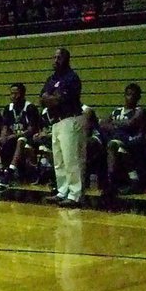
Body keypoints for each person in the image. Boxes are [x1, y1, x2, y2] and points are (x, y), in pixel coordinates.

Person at [40, 48, 86, 208]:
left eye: (59, 57)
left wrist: (50, 98)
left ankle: (75, 194)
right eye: (54, 57)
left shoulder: (71, 78)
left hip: (70, 119)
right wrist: (51, 98)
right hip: (56, 122)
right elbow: (42, 99)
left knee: (71, 159)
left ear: (67, 59)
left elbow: (59, 100)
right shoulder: (51, 79)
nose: (55, 60)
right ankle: (62, 190)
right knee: (59, 160)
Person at [100, 83, 146, 196]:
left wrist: (114, 124)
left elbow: (130, 123)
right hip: (118, 141)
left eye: (134, 95)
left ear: (138, 97)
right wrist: (118, 126)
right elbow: (103, 124)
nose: (130, 97)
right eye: (128, 94)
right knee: (113, 143)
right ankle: (113, 181)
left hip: (133, 141)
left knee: (114, 142)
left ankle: (112, 182)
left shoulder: (140, 110)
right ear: (124, 95)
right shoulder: (116, 111)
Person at [0, 83, 41, 189]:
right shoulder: (8, 108)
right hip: (12, 139)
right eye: (11, 93)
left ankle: (10, 170)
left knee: (20, 139)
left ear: (22, 94)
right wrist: (3, 137)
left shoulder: (30, 107)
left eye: (16, 93)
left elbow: (32, 129)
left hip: (28, 139)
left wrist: (15, 135)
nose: (13, 96)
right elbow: (5, 126)